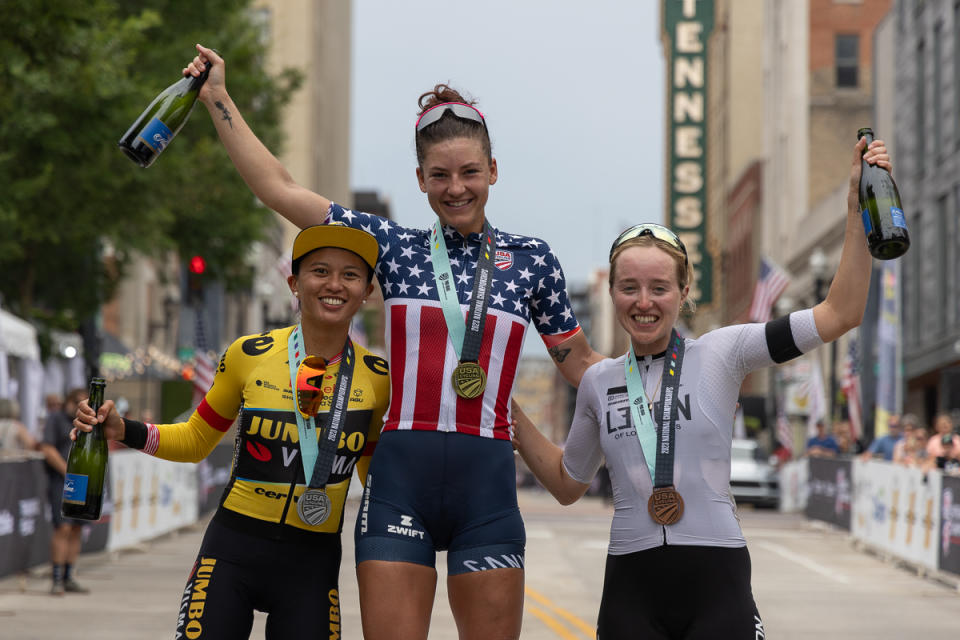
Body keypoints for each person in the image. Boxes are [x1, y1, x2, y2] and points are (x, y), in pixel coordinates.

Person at [182, 43, 603, 639]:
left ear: (493, 171)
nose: (456, 188)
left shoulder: (532, 262)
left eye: (469, 172)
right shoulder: (396, 249)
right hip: (398, 485)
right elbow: (279, 189)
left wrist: (666, 386)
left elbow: (583, 364)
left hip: (487, 492)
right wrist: (218, 97)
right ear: (420, 179)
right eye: (440, 175)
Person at [511, 136, 890, 638]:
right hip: (630, 585)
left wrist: (856, 213)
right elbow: (565, 484)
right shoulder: (598, 383)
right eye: (629, 288)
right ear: (612, 292)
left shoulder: (723, 351)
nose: (643, 302)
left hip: (718, 582)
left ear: (684, 292)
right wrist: (503, 405)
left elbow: (839, 313)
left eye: (659, 288)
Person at [75, 224, 389, 639]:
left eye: (351, 274)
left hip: (312, 565)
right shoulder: (248, 355)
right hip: (232, 550)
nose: (334, 284)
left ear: (367, 291)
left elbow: (379, 481)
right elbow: (193, 441)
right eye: (320, 271)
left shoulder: (378, 378)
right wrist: (123, 430)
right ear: (295, 283)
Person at [38, 387, 89, 595]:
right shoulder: (56, 419)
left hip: (84, 482)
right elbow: (47, 448)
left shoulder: (89, 423)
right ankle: (57, 577)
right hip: (63, 481)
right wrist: (68, 471)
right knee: (64, 528)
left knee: (77, 528)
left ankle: (69, 575)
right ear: (69, 401)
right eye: (77, 401)